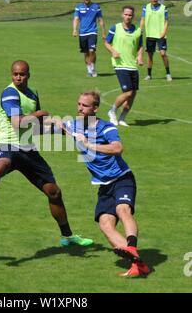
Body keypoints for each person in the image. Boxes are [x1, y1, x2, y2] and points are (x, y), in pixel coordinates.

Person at [0, 60, 93, 247]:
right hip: (10, 144)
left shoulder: (32, 94)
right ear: (11, 75)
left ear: (28, 75)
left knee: (54, 192)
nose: (18, 78)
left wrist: (61, 130)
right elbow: (18, 122)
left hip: (28, 149)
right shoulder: (9, 93)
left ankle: (67, 236)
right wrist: (41, 113)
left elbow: (34, 128)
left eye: (22, 74)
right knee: (3, 162)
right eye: (15, 74)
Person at [56, 90, 150, 277]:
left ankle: (131, 247)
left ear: (96, 108)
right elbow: (53, 126)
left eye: (85, 105)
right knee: (105, 224)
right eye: (79, 104)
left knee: (123, 210)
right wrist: (52, 122)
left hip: (122, 178)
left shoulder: (106, 128)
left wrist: (90, 145)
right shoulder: (74, 125)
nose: (80, 108)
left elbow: (117, 148)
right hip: (104, 185)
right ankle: (138, 264)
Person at [105, 6, 143, 127]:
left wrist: (140, 56)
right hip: (120, 65)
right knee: (128, 92)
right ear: (122, 15)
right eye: (126, 14)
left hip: (133, 65)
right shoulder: (115, 28)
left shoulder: (138, 31)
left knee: (133, 94)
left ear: (133, 16)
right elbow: (106, 42)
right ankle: (112, 111)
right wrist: (113, 51)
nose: (128, 17)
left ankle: (122, 118)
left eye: (130, 15)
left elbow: (140, 45)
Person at [73, 0, 106, 77]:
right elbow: (76, 19)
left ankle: (93, 68)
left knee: (92, 51)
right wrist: (75, 30)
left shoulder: (96, 7)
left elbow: (101, 20)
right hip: (82, 33)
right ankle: (89, 70)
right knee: (86, 53)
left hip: (92, 32)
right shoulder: (78, 7)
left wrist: (103, 32)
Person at [140, 0, 172, 81]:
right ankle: (149, 75)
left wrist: (164, 32)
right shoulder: (146, 7)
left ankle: (168, 73)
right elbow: (143, 19)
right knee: (150, 56)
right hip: (150, 35)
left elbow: (166, 22)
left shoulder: (163, 8)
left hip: (161, 35)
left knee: (163, 53)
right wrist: (140, 29)